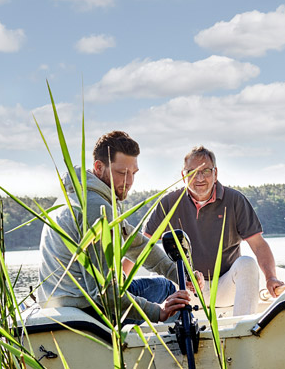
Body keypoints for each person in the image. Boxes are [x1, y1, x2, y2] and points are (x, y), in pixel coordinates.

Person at [38, 131, 192, 324]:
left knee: (165, 286)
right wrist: (157, 312)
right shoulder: (95, 207)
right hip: (87, 310)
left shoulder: (83, 195)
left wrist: (181, 275)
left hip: (60, 302)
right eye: (122, 173)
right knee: (174, 299)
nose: (129, 182)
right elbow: (104, 292)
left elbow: (136, 245)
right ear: (98, 166)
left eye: (133, 173)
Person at [144, 146, 284, 317]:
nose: (200, 178)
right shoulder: (168, 202)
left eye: (206, 171)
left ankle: (241, 330)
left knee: (247, 263)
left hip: (224, 287)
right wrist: (120, 282)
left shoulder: (235, 200)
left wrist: (271, 278)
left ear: (215, 173)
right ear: (183, 175)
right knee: (159, 279)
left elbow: (259, 245)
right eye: (192, 172)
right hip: (186, 288)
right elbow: (142, 246)